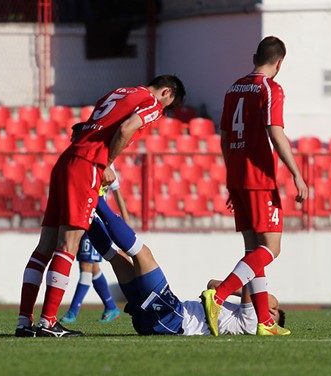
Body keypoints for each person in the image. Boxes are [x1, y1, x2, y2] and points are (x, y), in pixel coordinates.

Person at [15, 74, 186, 337]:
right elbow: (127, 128)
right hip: (87, 165)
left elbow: (89, 125)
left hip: (67, 160)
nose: (163, 113)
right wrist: (106, 164)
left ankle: (24, 321)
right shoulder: (151, 102)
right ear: (166, 92)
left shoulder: (119, 91)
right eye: (168, 107)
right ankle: (48, 322)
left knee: (44, 247)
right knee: (68, 246)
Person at [201, 36, 307, 336]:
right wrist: (297, 174)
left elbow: (223, 137)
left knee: (253, 249)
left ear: (254, 57)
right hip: (259, 179)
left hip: (237, 176)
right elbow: (275, 132)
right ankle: (219, 295)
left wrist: (232, 176)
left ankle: (264, 321)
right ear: (280, 62)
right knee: (271, 249)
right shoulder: (270, 89)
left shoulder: (233, 88)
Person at [87, 197, 286, 336]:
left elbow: (270, 299)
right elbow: (212, 284)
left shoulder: (253, 323)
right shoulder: (238, 314)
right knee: (117, 257)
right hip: (160, 320)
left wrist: (230, 291)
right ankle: (87, 214)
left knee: (142, 254)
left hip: (173, 317)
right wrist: (225, 294)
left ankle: (96, 198)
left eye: (273, 315)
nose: (270, 310)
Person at [60, 165, 128, 323]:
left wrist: (126, 221)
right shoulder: (84, 162)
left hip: (94, 220)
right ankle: (110, 306)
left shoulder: (106, 165)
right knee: (93, 266)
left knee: (86, 266)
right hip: (81, 217)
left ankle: (72, 312)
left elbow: (117, 193)